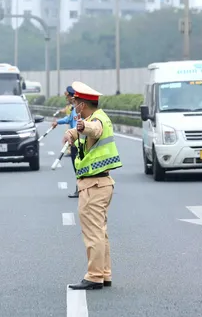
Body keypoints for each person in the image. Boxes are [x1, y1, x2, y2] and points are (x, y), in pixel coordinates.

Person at [63, 81, 122, 291]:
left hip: (94, 185)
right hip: (100, 183)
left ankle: (95, 276)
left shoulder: (95, 121)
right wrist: (72, 133)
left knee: (93, 233)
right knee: (100, 232)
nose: (74, 105)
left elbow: (94, 130)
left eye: (76, 102)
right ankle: (104, 274)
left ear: (82, 105)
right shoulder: (99, 116)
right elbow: (87, 133)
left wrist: (81, 126)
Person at [52, 86, 79, 198]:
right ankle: (80, 189)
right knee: (77, 167)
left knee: (78, 167)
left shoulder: (77, 109)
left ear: (71, 95)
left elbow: (78, 125)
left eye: (67, 95)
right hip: (74, 142)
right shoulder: (73, 108)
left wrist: (71, 135)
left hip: (78, 143)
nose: (66, 98)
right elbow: (69, 119)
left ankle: (81, 190)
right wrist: (57, 122)